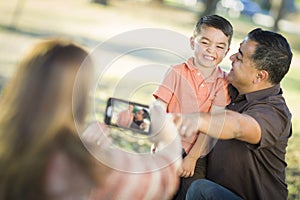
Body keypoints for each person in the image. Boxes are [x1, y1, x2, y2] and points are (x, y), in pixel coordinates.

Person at [0, 39, 182, 200]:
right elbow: (162, 180)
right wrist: (167, 134)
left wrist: (83, 144)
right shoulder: (89, 167)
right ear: (79, 96)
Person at [174, 28, 293, 199]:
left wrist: (199, 120)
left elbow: (238, 126)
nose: (231, 58)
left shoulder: (274, 113)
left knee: (200, 189)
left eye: (239, 58)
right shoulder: (225, 88)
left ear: (260, 76)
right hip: (217, 190)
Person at [153, 14, 233, 199]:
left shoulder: (223, 83)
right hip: (167, 147)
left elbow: (212, 126)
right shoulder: (176, 72)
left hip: (197, 155)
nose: (211, 50)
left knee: (190, 192)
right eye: (205, 42)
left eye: (220, 46)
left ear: (227, 51)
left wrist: (192, 158)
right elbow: (159, 108)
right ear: (192, 42)